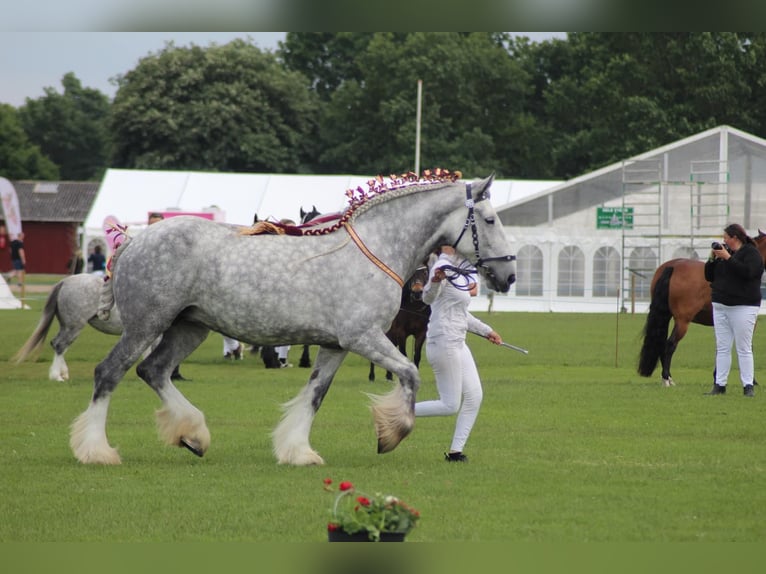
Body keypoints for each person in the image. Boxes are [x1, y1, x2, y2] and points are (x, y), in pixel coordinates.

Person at [415, 245, 503, 462]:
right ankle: (401, 412)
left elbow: (461, 313)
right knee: (450, 405)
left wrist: (487, 331)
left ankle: (455, 453)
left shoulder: (459, 267)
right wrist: (435, 281)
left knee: (474, 396)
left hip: (458, 341)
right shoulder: (441, 265)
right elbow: (427, 298)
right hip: (443, 342)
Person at [704, 223, 763, 397]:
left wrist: (728, 258)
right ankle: (719, 384)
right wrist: (712, 258)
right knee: (722, 347)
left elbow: (749, 273)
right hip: (721, 305)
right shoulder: (723, 255)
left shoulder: (750, 253)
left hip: (743, 306)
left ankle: (748, 385)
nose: (724, 242)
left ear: (735, 238)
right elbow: (709, 276)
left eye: (726, 238)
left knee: (743, 348)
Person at [145, 211, 187, 381]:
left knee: (174, 333)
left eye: (158, 224)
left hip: (170, 295)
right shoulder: (142, 246)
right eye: (152, 224)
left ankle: (172, 370)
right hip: (148, 294)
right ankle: (153, 368)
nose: (155, 227)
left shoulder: (172, 247)